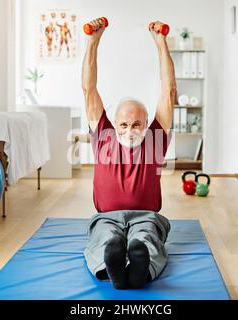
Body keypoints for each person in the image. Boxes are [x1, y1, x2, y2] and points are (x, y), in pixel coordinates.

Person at [82, 18, 177, 289]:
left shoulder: (155, 139)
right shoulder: (103, 136)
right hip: (107, 217)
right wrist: (93, 41)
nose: (130, 130)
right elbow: (89, 89)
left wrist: (161, 43)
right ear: (115, 123)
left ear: (146, 124)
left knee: (145, 239)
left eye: (137, 124)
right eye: (123, 124)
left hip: (146, 216)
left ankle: (139, 269)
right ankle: (113, 267)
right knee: (105, 238)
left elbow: (168, 93)